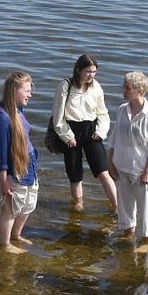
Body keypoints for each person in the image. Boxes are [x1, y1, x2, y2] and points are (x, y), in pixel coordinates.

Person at [107, 72, 148, 254]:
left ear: (140, 91)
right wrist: (110, 162)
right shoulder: (122, 109)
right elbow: (114, 138)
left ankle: (147, 240)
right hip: (122, 167)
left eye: (128, 88)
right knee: (124, 207)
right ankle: (128, 234)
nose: (124, 90)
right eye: (124, 86)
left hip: (142, 171)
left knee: (145, 208)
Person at [49, 54, 117, 212]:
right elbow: (58, 118)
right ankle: (78, 206)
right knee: (75, 173)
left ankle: (117, 205)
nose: (91, 75)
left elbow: (103, 113)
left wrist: (101, 132)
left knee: (102, 171)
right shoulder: (65, 86)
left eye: (94, 72)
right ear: (78, 70)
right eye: (88, 71)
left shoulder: (96, 87)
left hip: (91, 131)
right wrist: (67, 136)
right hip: (70, 131)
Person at [0, 71, 37, 254]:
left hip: (28, 166)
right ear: (13, 91)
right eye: (26, 91)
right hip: (12, 170)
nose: (30, 94)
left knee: (27, 205)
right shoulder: (2, 118)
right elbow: (0, 153)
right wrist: (3, 181)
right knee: (9, 209)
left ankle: (16, 235)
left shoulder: (19, 110)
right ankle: (6, 244)